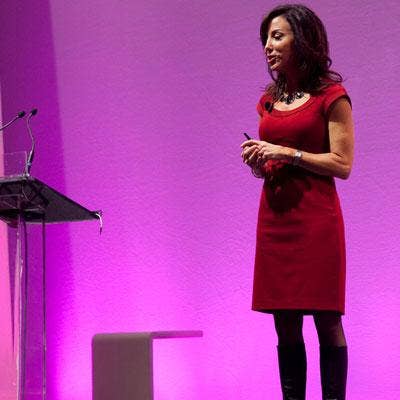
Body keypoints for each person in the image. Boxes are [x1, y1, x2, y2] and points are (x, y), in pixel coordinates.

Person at [240, 4, 354, 400]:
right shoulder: (269, 101)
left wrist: (286, 153)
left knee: (326, 320)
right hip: (275, 221)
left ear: (301, 40)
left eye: (277, 36)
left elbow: (342, 164)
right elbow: (275, 159)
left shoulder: (331, 96)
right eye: (266, 39)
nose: (268, 46)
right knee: (284, 323)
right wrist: (261, 161)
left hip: (316, 220)